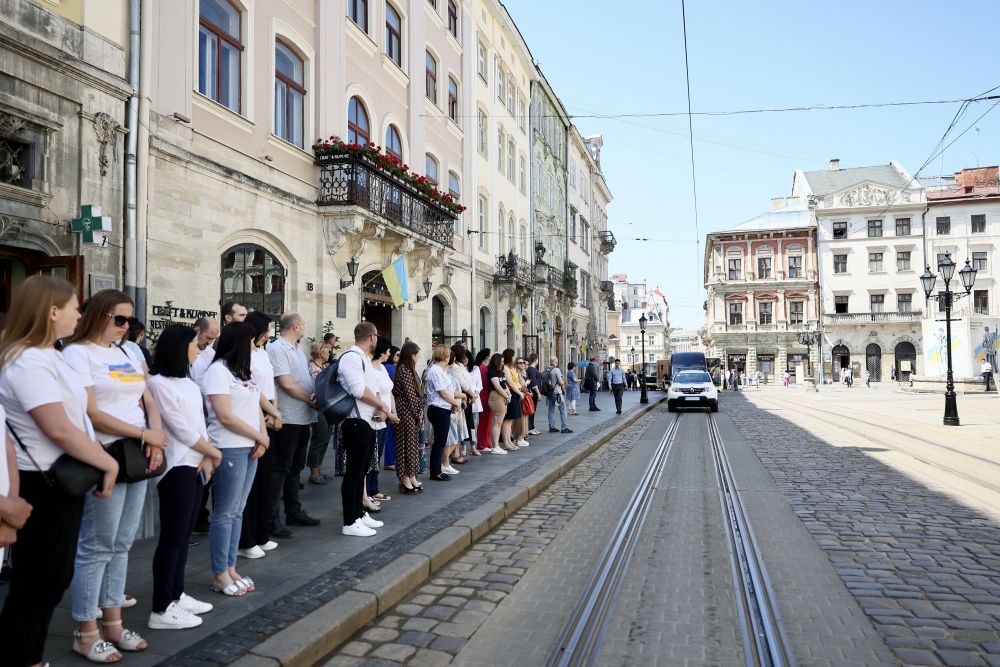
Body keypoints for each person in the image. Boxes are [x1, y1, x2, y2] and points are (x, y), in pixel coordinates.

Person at [0, 276, 117, 667]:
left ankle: (29, 655)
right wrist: (107, 461)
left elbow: (74, 418)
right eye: (74, 307)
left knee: (50, 578)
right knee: (39, 581)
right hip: (41, 481)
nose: (79, 314)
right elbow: (57, 427)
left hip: (58, 479)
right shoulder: (26, 358)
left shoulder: (50, 353)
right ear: (52, 312)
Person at [64, 289, 170, 660]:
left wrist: (155, 439)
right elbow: (90, 410)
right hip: (103, 451)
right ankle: (85, 628)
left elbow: (149, 399)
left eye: (129, 320)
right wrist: (144, 434)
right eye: (119, 319)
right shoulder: (78, 353)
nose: (126, 327)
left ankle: (112, 621)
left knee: (123, 542)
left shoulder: (128, 352)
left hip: (137, 452)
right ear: (98, 315)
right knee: (96, 545)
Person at [146, 324, 218, 630]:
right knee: (172, 537)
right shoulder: (158, 384)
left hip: (197, 464)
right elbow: (180, 429)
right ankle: (161, 607)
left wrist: (207, 456)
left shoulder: (188, 383)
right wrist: (213, 453)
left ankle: (176, 594)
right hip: (176, 466)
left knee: (185, 534)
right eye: (194, 344)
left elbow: (199, 426)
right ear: (178, 347)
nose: (198, 348)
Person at [201, 322, 268, 597]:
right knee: (225, 512)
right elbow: (225, 416)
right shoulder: (217, 371)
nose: (255, 345)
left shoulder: (243, 371)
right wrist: (259, 436)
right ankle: (220, 573)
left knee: (238, 510)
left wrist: (262, 434)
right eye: (252, 341)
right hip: (228, 447)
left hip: (250, 445)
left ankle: (231, 566)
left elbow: (255, 406)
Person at [267, 312, 320, 536]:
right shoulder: (277, 348)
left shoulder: (297, 348)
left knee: (296, 466)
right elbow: (286, 383)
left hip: (303, 416)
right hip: (287, 417)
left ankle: (293, 510)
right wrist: (310, 399)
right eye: (304, 324)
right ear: (297, 326)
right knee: (280, 468)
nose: (305, 327)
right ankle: (271, 518)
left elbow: (301, 380)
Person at [337, 322, 391, 536]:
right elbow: (358, 389)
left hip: (368, 420)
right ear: (372, 337)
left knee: (362, 472)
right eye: (376, 336)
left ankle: (358, 513)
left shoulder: (363, 359)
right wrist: (381, 405)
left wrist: (379, 407)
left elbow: (372, 389)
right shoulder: (352, 357)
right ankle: (350, 521)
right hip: (356, 421)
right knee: (354, 472)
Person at [237, 312, 282, 557]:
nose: (267, 334)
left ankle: (262, 533)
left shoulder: (263, 353)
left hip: (269, 416)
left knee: (265, 479)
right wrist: (270, 411)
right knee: (250, 485)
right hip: (254, 416)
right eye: (265, 329)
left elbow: (269, 386)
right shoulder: (244, 356)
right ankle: (246, 539)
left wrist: (275, 411)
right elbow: (251, 390)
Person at [425, 345, 465, 480]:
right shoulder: (435, 370)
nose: (450, 357)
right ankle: (436, 471)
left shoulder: (441, 371)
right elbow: (443, 393)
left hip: (444, 408)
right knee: (439, 442)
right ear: (444, 356)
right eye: (448, 354)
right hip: (438, 409)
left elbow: (449, 392)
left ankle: (437, 470)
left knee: (441, 441)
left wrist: (457, 400)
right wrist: (457, 403)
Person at [367, 337, 399, 503]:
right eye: (387, 352)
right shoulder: (371, 369)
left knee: (377, 453)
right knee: (372, 453)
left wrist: (393, 410)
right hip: (376, 415)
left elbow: (390, 391)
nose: (389, 354)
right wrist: (387, 412)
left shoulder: (383, 368)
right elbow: (375, 394)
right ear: (381, 352)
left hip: (387, 414)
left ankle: (374, 488)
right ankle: (368, 491)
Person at [392, 342, 424, 493]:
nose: (419, 357)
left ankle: (410, 474)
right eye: (417, 354)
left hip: (412, 411)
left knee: (412, 445)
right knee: (405, 445)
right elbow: (410, 395)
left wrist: (419, 412)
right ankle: (404, 477)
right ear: (412, 355)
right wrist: (418, 413)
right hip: (405, 411)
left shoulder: (410, 369)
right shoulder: (404, 370)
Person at [306, 340, 332, 485]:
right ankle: (313, 471)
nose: (329, 354)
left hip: (328, 407)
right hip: (318, 407)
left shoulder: (326, 366)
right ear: (321, 353)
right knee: (319, 437)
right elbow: (312, 387)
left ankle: (319, 468)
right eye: (327, 351)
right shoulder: (311, 368)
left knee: (326, 437)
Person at [486, 353, 512, 454]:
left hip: (502, 396)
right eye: (501, 361)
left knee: (500, 421)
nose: (502, 363)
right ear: (496, 361)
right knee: (497, 421)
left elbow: (504, 385)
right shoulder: (492, 372)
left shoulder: (501, 372)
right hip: (496, 396)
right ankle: (495, 446)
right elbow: (497, 386)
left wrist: (508, 394)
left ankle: (496, 445)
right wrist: (506, 395)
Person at [464, 348, 484, 456]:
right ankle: (462, 447)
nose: (464, 360)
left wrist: (475, 394)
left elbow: (479, 384)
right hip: (464, 399)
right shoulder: (459, 368)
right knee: (463, 424)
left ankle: (473, 446)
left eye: (465, 357)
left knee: (474, 424)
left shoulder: (475, 369)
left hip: (475, 399)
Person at [544, 356, 572, 433]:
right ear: (556, 361)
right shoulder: (556, 370)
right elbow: (560, 381)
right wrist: (563, 388)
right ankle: (564, 427)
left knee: (551, 410)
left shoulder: (546, 369)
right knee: (562, 409)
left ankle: (551, 426)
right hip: (557, 392)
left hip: (549, 392)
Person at [382, 345, 399, 469]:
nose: (399, 357)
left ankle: (390, 459)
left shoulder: (389, 367)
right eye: (397, 354)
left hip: (390, 403)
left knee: (390, 434)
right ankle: (389, 460)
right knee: (390, 434)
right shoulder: (389, 367)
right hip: (390, 404)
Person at [474, 348, 493, 452]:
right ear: (487, 356)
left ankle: (487, 442)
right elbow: (485, 384)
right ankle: (482, 443)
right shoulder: (482, 368)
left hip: (486, 395)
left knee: (488, 421)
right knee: (484, 421)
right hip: (484, 396)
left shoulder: (484, 367)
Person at [525, 353, 542, 435]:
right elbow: (534, 382)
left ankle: (532, 427)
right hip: (533, 393)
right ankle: (529, 428)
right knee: (531, 410)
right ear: (536, 360)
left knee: (533, 410)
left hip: (534, 392)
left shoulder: (532, 369)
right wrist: (538, 393)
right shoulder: (531, 369)